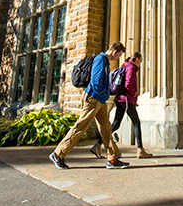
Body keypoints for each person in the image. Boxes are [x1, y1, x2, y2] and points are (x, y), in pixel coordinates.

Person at [49, 41, 130, 170]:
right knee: (81, 126)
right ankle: (58, 154)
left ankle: (112, 158)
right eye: (119, 55)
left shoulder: (105, 60)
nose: (118, 58)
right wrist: (103, 93)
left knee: (106, 128)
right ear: (114, 52)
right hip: (93, 98)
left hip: (100, 99)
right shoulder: (100, 59)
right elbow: (96, 80)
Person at [91, 52, 153, 159]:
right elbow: (128, 84)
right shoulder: (131, 68)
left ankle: (97, 145)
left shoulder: (125, 66)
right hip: (126, 100)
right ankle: (140, 150)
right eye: (141, 59)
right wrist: (133, 93)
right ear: (137, 59)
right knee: (136, 122)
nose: (141, 61)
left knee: (116, 124)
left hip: (120, 99)